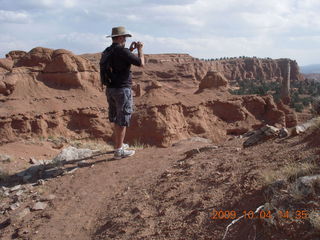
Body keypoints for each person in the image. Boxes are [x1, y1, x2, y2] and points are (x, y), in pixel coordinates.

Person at [102, 26, 145, 159]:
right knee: (123, 119)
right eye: (125, 37)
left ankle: (118, 145)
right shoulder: (122, 51)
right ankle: (119, 151)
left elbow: (119, 60)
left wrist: (130, 50)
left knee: (116, 118)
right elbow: (140, 63)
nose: (126, 39)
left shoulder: (108, 51)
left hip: (110, 89)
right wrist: (140, 49)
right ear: (120, 37)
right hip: (122, 89)